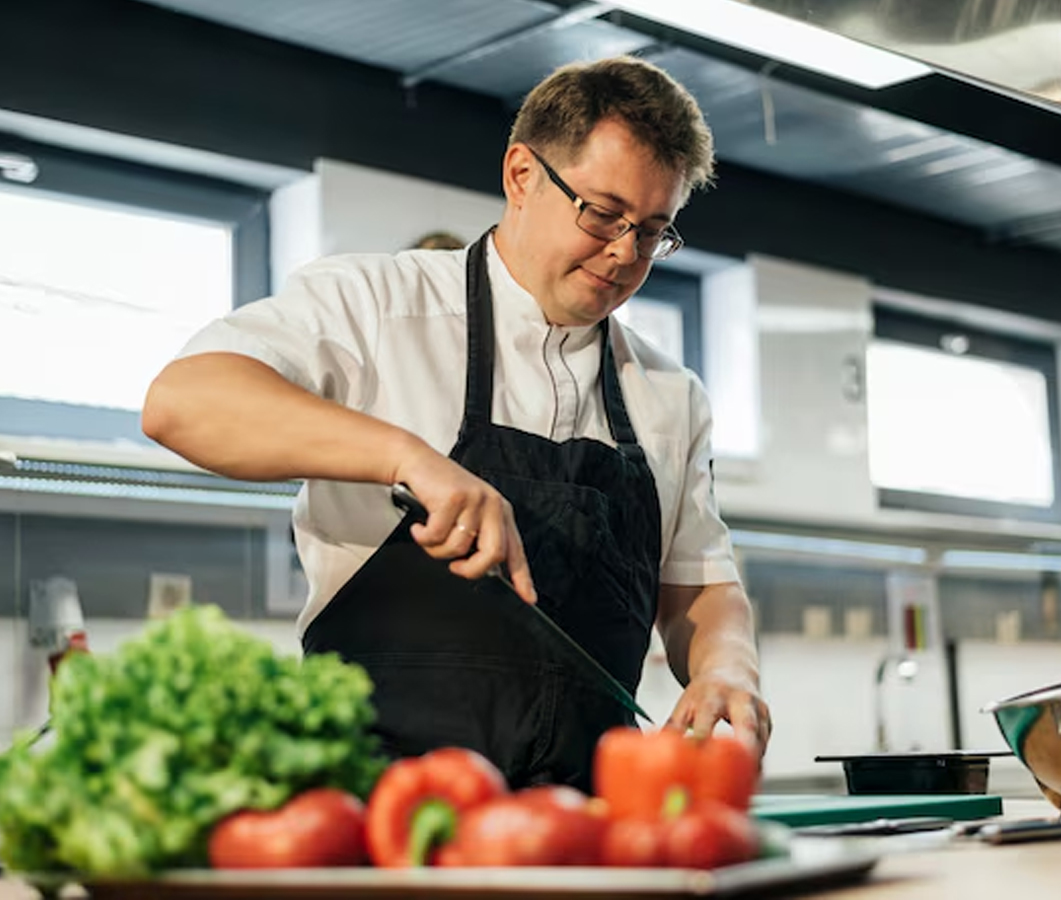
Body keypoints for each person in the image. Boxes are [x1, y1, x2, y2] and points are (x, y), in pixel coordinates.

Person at [142, 56, 771, 790]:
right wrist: (408, 458)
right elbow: (183, 401)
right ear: (521, 175)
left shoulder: (670, 392)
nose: (625, 254)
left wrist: (728, 667)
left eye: (653, 231)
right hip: (381, 818)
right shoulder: (375, 303)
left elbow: (698, 584)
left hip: (583, 831)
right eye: (602, 214)